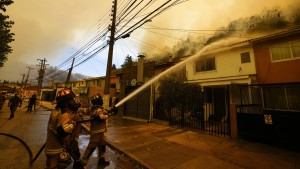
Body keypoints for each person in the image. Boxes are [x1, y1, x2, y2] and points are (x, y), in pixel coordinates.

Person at [44, 88, 83, 169]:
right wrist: (72, 124)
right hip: (58, 150)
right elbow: (63, 134)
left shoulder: (56, 111)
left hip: (50, 148)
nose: (74, 101)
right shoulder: (65, 115)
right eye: (71, 99)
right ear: (66, 101)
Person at [82, 94, 116, 167]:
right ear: (100, 101)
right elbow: (102, 117)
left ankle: (101, 160)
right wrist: (110, 114)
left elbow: (103, 113)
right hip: (96, 132)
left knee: (102, 145)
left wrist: (110, 111)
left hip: (101, 132)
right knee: (92, 147)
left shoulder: (97, 109)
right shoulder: (97, 110)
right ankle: (83, 163)